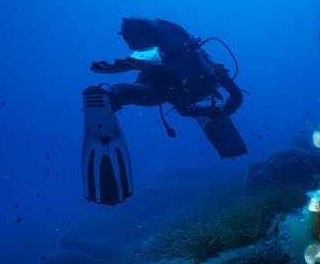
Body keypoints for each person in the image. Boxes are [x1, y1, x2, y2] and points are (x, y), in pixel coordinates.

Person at [82, 17, 247, 206]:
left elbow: (190, 107)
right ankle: (114, 94)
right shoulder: (210, 72)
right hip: (165, 71)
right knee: (152, 94)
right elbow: (235, 96)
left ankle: (111, 96)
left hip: (157, 76)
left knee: (145, 92)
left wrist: (214, 110)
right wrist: (220, 111)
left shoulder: (198, 72)